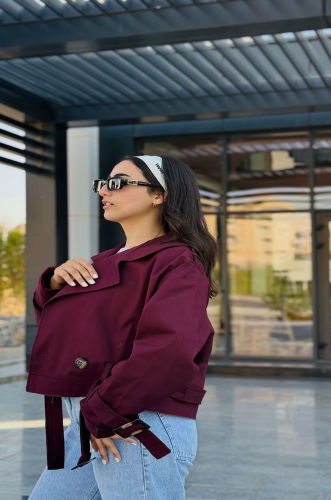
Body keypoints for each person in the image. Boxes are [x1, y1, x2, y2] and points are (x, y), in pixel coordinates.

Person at [27, 155, 219, 500]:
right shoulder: (101, 261)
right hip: (95, 417)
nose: (104, 189)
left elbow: (168, 349)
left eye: (118, 182)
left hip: (135, 419)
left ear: (159, 194)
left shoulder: (179, 262)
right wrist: (55, 284)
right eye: (103, 182)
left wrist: (105, 411)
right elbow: (67, 335)